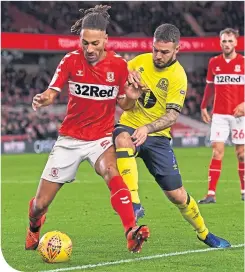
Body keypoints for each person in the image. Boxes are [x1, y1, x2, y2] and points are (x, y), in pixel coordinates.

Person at [25, 5, 150, 254]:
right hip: (70, 139)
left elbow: (124, 103)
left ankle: (130, 231)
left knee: (112, 172)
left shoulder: (119, 66)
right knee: (40, 204)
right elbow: (52, 92)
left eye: (95, 43)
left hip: (101, 138)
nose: (90, 49)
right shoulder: (71, 60)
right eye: (85, 43)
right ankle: (34, 226)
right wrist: (43, 98)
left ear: (106, 40)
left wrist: (133, 96)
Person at [113, 23, 230, 248]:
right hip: (129, 126)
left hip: (157, 137)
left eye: (165, 51)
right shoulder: (137, 63)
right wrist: (128, 93)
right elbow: (124, 105)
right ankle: (135, 204)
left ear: (178, 49)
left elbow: (172, 116)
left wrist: (147, 129)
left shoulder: (178, 77)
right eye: (156, 49)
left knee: (177, 195)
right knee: (122, 139)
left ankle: (204, 233)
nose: (158, 55)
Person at [198, 28, 244, 204]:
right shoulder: (214, 62)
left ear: (236, 43)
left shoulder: (243, 62)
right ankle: (211, 194)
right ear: (220, 42)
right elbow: (209, 87)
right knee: (217, 152)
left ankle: (244, 190)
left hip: (239, 116)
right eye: (224, 41)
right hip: (219, 115)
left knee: (241, 154)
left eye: (230, 41)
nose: (227, 44)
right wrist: (203, 107)